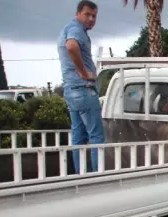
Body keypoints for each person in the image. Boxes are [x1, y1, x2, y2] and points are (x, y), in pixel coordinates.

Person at [58, 0, 104, 174]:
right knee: (97, 137)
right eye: (87, 14)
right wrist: (84, 72)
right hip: (83, 89)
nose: (91, 19)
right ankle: (96, 178)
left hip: (71, 90)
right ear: (78, 14)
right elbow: (71, 46)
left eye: (94, 15)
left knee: (78, 138)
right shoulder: (76, 29)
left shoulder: (69, 28)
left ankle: (81, 176)